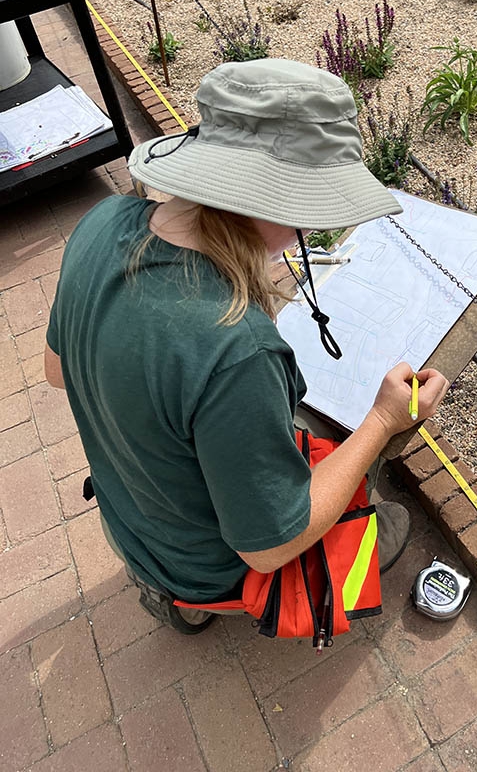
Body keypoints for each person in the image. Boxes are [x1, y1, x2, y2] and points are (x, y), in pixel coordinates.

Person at [44, 59, 449, 635]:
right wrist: (382, 421)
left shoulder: (103, 220)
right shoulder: (238, 349)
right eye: (308, 214)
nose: (307, 233)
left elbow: (56, 371)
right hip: (214, 568)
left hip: (127, 520)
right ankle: (198, 592)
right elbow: (269, 547)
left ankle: (170, 595)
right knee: (378, 504)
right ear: (273, 204)